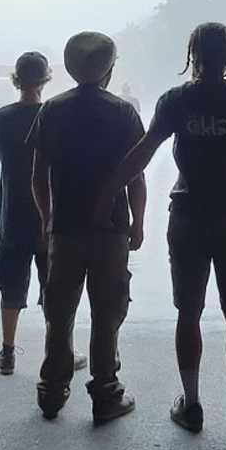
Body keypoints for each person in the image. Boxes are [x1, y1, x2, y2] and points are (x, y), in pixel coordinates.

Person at [99, 22, 226, 434]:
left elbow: (142, 153)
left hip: (188, 217)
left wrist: (106, 192)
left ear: (192, 55)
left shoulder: (175, 100)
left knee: (188, 313)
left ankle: (192, 405)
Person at [30, 31, 146, 423]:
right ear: (110, 68)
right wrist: (139, 222)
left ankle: (52, 390)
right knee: (107, 311)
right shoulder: (123, 112)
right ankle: (105, 392)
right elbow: (137, 176)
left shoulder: (52, 110)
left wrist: (48, 220)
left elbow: (38, 175)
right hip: (110, 228)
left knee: (59, 311)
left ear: (68, 67)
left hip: (65, 228)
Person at [0, 52, 87, 375]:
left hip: (12, 216)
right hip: (51, 215)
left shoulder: (0, 118)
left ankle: (7, 353)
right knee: (55, 289)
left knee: (11, 288)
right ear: (46, 79)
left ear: (16, 78)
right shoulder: (56, 116)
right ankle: (59, 351)